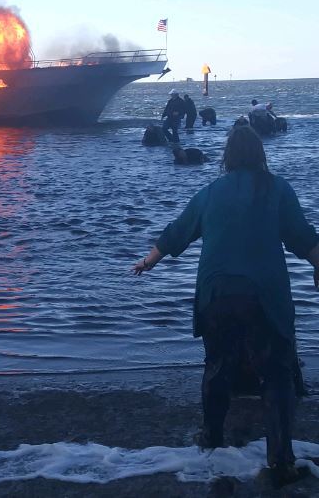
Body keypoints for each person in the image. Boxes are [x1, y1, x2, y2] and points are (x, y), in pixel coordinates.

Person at [133, 126, 319, 485]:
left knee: (218, 365)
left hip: (216, 292)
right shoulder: (277, 188)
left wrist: (148, 261)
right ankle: (280, 459)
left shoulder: (210, 192)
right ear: (260, 154)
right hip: (264, 294)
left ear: (227, 157)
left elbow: (178, 231)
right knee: (277, 373)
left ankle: (212, 438)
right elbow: (302, 236)